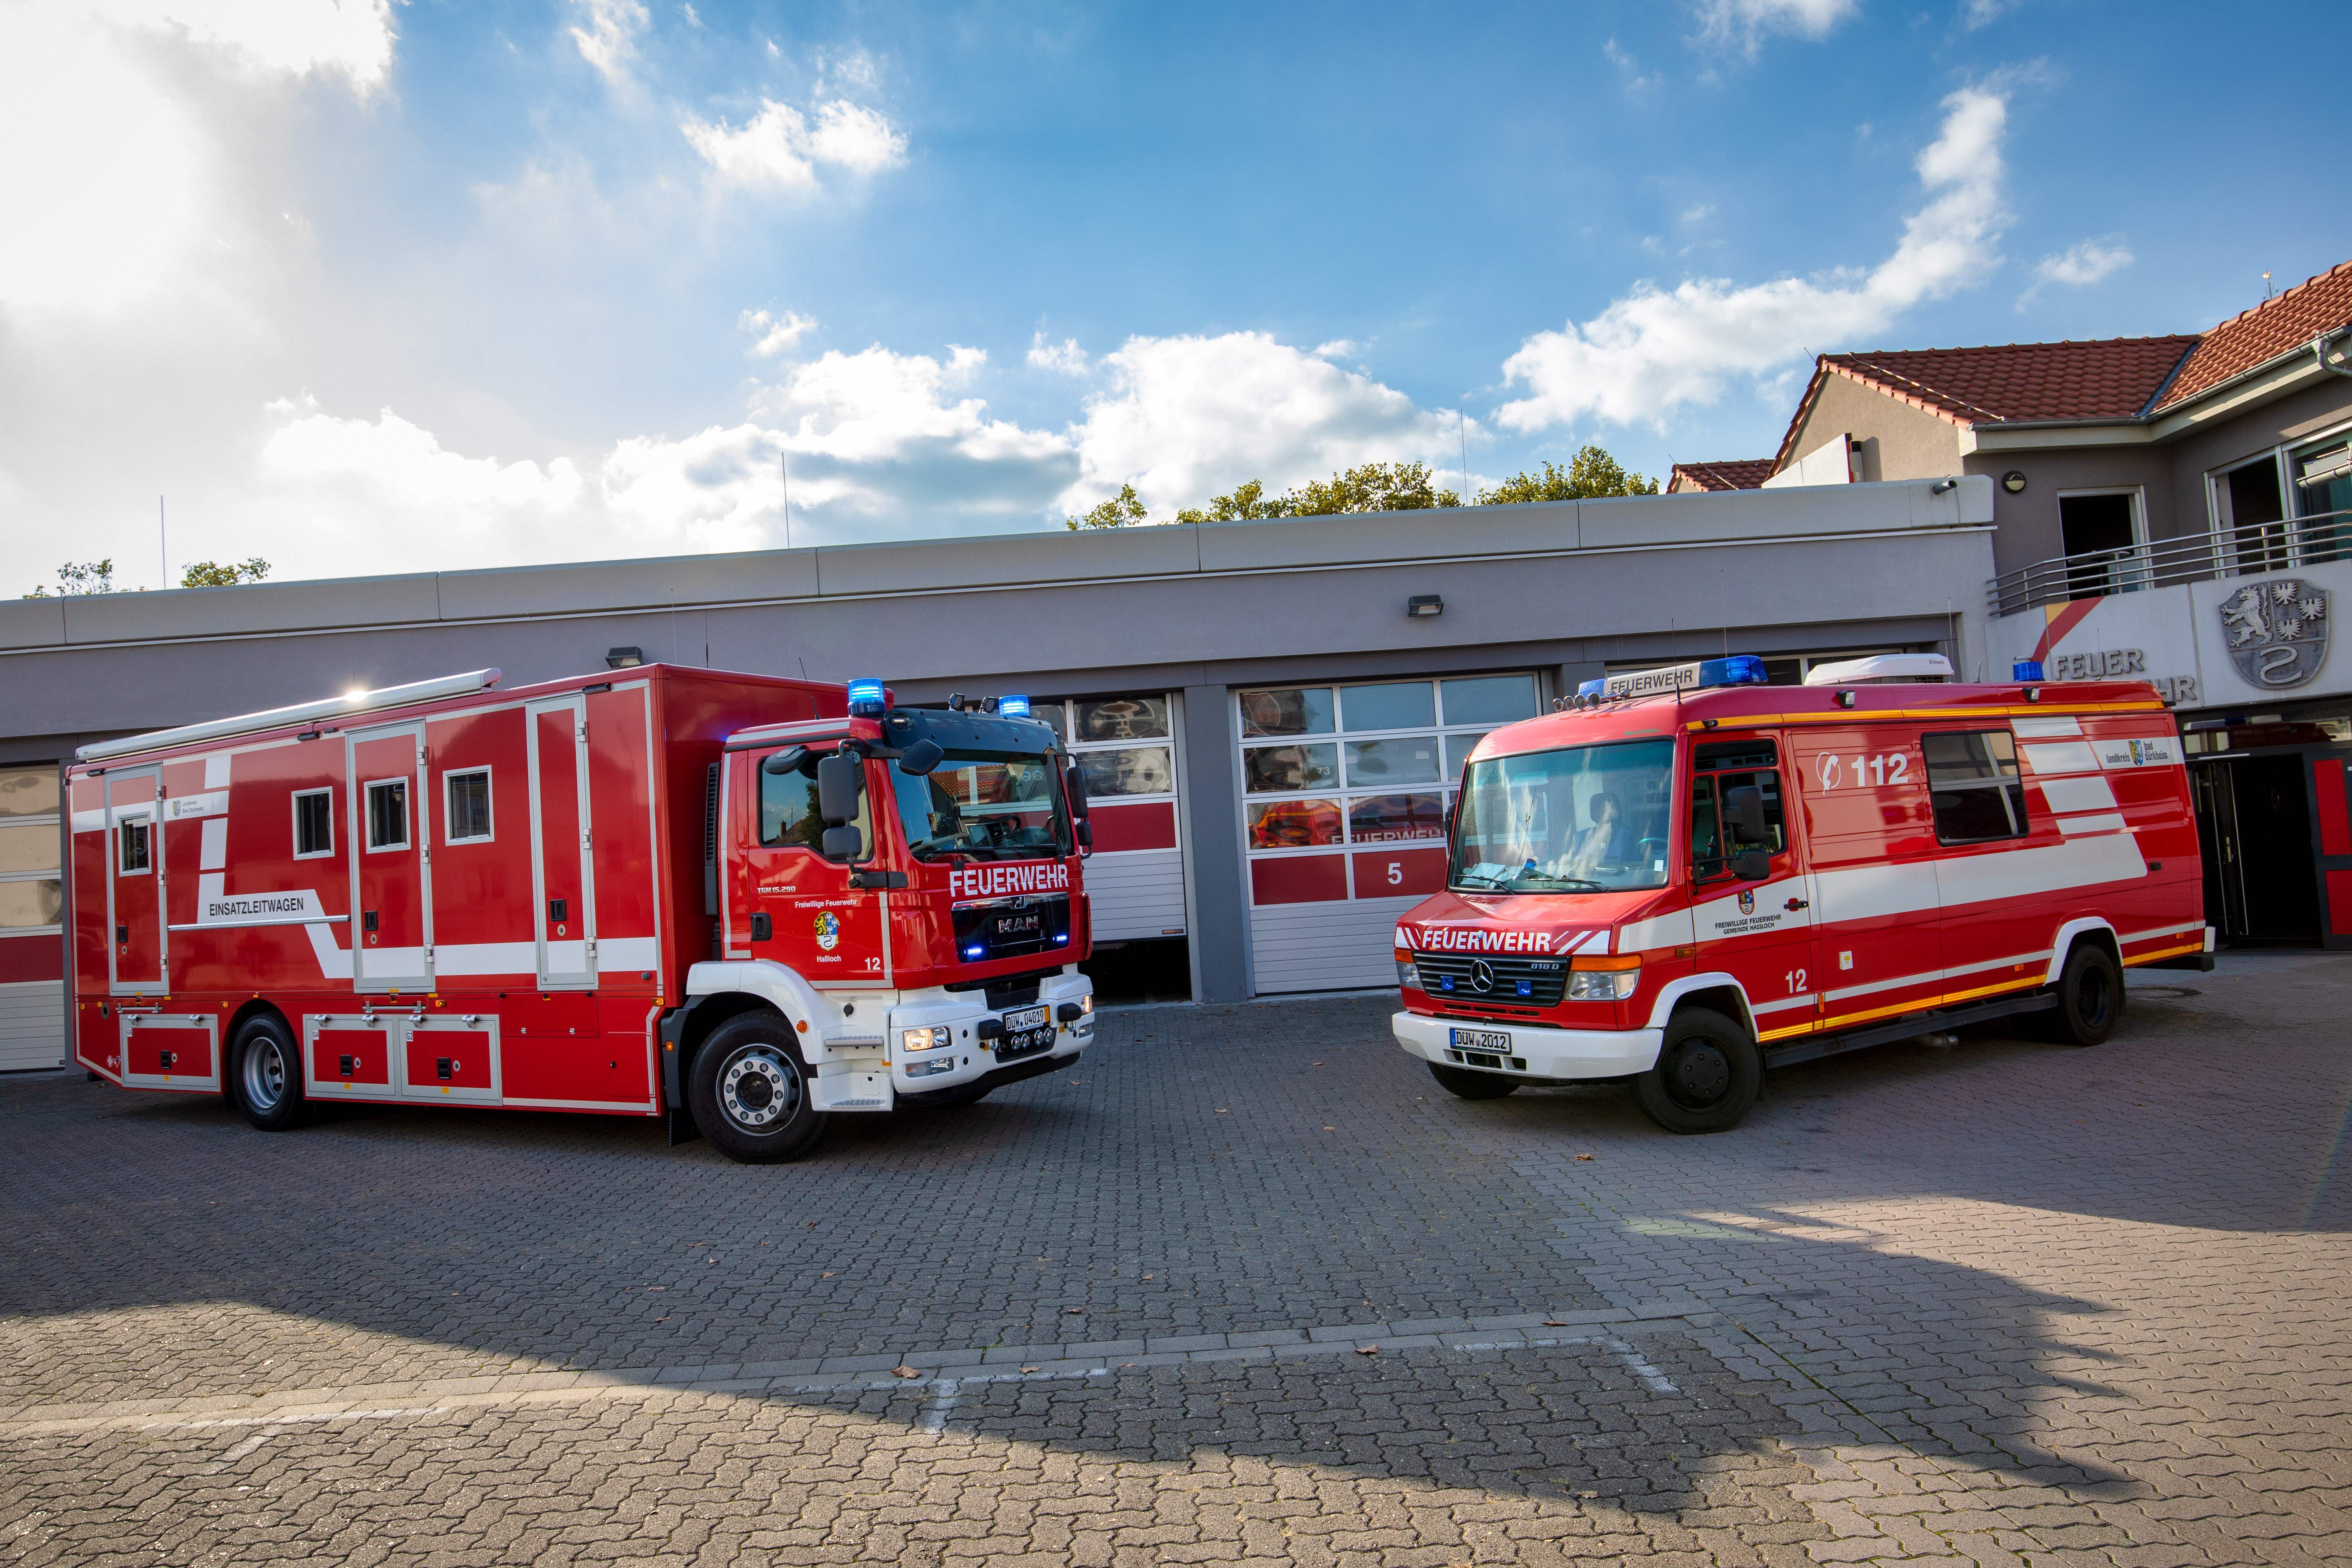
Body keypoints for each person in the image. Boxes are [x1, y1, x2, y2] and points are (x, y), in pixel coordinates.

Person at [1560, 791, 1622, 880]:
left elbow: (1636, 866)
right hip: (1587, 883)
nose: (1614, 811)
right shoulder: (1580, 838)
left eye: (1611, 808)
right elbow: (1572, 867)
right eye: (1601, 810)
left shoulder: (1624, 835)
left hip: (1620, 881)